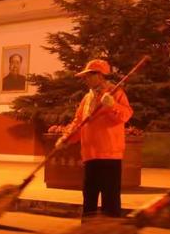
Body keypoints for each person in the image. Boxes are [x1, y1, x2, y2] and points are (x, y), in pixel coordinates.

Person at [56, 59, 133, 218]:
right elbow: (79, 122)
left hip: (109, 155)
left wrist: (112, 105)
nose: (85, 79)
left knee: (110, 199)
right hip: (90, 155)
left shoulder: (115, 93)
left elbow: (125, 115)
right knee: (89, 197)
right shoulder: (87, 98)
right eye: (85, 76)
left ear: (100, 75)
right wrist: (66, 138)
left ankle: (109, 233)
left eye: (89, 75)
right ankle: (88, 232)